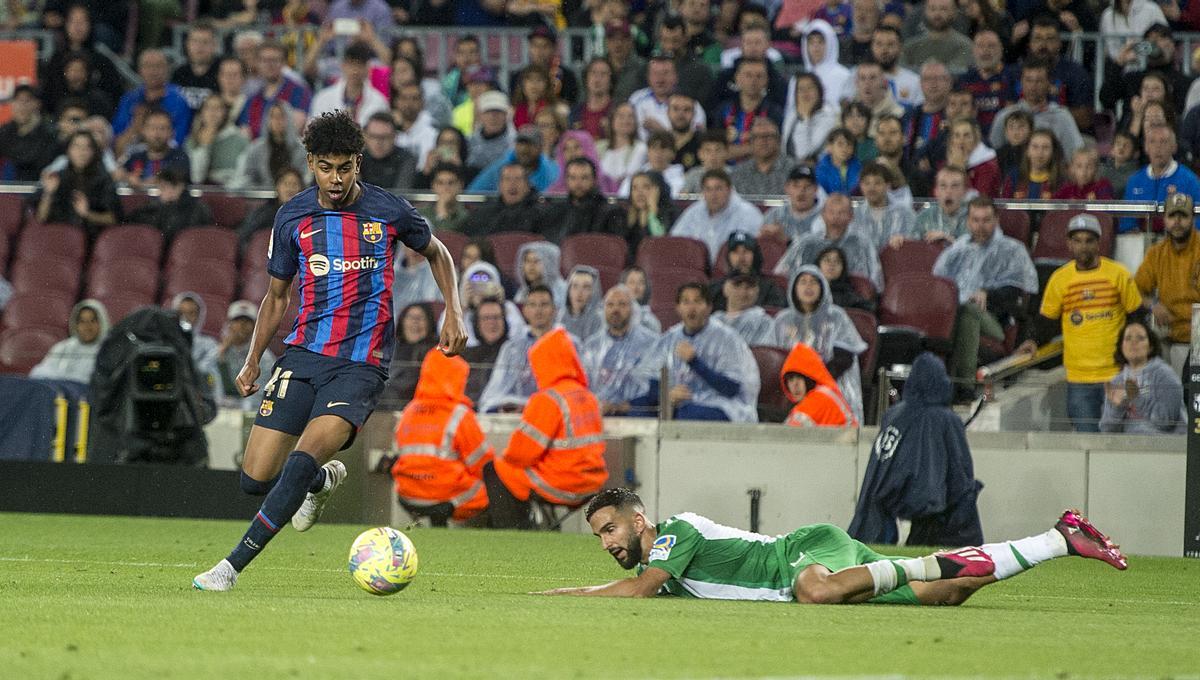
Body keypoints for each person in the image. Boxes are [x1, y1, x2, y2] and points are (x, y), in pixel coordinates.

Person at [191, 110, 468, 591]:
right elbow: (277, 296)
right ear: (311, 164)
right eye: (324, 167)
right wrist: (255, 357)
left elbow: (437, 252)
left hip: (360, 366)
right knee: (255, 478)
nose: (335, 178)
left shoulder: (387, 210)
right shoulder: (293, 216)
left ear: (358, 163)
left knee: (298, 461)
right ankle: (319, 484)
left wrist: (454, 311)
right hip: (301, 356)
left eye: (344, 167)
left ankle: (229, 568)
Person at [540, 488, 1126, 601]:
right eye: (599, 537)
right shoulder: (663, 550)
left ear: (639, 521)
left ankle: (916, 560)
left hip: (802, 551)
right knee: (947, 594)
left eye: (609, 530)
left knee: (814, 593)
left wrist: (575, 593)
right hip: (811, 564)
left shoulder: (675, 533)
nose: (606, 543)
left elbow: (643, 589)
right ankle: (1060, 538)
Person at [1017, 215, 1143, 433]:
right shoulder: (1060, 279)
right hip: (1078, 377)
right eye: (1077, 240)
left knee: (1117, 443)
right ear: (1069, 244)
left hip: (1115, 375)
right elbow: (1046, 321)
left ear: (1099, 243)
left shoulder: (1119, 274)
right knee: (1088, 443)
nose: (1083, 246)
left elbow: (1137, 319)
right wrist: (1032, 340)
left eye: (1088, 240)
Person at [848, 352, 983, 546]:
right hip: (931, 511)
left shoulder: (894, 414)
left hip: (887, 506)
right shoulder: (945, 419)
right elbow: (960, 472)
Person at [484, 327, 605, 529]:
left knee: (494, 469)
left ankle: (513, 535)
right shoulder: (587, 396)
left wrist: (507, 456)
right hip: (591, 483)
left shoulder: (548, 399)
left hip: (560, 483)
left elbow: (521, 454)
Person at [933, 197, 1039, 398]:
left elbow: (1021, 293)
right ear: (968, 222)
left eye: (986, 220)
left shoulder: (1012, 250)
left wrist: (989, 294)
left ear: (996, 220)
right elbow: (939, 283)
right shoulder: (958, 249)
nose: (980, 226)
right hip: (955, 312)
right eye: (975, 220)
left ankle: (964, 387)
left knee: (968, 311)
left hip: (995, 321)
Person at [390, 348, 493, 526]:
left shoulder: (410, 410)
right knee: (490, 490)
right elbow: (482, 464)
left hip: (407, 493)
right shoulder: (459, 414)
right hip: (445, 495)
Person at [630, 283, 760, 422]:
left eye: (697, 301)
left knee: (687, 414)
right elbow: (651, 380)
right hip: (678, 405)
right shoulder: (670, 338)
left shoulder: (727, 338)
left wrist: (694, 362)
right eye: (686, 302)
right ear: (678, 308)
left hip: (722, 406)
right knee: (636, 414)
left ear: (709, 307)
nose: (691, 308)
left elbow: (731, 388)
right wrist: (667, 394)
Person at [774, 266, 868, 422]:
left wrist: (813, 385)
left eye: (813, 282)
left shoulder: (836, 317)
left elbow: (844, 358)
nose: (808, 287)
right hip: (790, 385)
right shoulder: (782, 320)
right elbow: (774, 358)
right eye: (803, 282)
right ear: (794, 288)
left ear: (823, 287)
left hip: (829, 385)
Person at [1134, 193, 1200, 373]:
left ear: (1192, 219)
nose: (1177, 222)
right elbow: (1135, 290)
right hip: (1169, 334)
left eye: (1183, 216)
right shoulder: (1157, 253)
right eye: (1172, 216)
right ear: (1164, 220)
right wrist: (1153, 304)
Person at [479, 285, 562, 413]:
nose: (538, 310)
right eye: (532, 305)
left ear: (554, 310)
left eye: (544, 304)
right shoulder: (511, 348)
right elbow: (492, 393)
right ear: (525, 310)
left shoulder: (569, 344)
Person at [775, 194, 883, 292]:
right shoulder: (806, 243)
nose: (835, 217)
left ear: (851, 216)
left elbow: (874, 283)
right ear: (822, 214)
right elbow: (782, 275)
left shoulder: (862, 244)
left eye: (841, 212)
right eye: (831, 212)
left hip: (850, 297)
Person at [581, 285, 660, 415]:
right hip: (598, 416)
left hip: (637, 416)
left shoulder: (650, 343)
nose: (615, 309)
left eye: (622, 304)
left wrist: (624, 406)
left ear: (632, 309)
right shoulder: (591, 346)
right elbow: (583, 386)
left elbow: (657, 389)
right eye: (610, 305)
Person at [1100, 320, 1186, 434]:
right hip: (1128, 447)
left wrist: (1136, 398)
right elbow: (1107, 430)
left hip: (1164, 447)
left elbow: (1165, 423)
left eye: (1140, 338)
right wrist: (1118, 407)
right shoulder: (1117, 380)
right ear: (1121, 346)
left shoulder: (1165, 375)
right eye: (1128, 338)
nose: (1133, 342)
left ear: (1150, 347)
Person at [988, 60, 1083, 161]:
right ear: (1021, 82)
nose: (1033, 86)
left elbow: (1076, 156)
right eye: (1029, 80)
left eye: (1039, 81)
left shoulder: (1062, 116)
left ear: (1049, 83)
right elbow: (992, 156)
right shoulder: (1005, 115)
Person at [33, 131, 120, 238]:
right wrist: (48, 194)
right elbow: (41, 218)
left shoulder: (104, 180)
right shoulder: (57, 177)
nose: (81, 152)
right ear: (68, 150)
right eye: (76, 146)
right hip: (60, 237)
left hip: (92, 238)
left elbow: (114, 219)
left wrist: (87, 214)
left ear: (93, 151)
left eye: (87, 147)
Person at [671, 169, 765, 264]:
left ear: (729, 190)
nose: (713, 195)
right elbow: (676, 242)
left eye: (718, 189)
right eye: (708, 189)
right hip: (697, 271)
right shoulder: (694, 211)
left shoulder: (748, 214)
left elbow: (754, 252)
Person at [1120, 125, 1200, 234]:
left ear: (1174, 147)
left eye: (1163, 142)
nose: (1158, 147)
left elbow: (1198, 222)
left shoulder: (1190, 180)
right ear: (1146, 147)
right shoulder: (1135, 181)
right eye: (1152, 142)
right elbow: (1127, 222)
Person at [112, 49, 193, 155]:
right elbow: (117, 145)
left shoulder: (179, 99)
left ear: (167, 69)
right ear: (139, 70)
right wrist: (136, 126)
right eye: (147, 66)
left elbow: (178, 142)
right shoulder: (129, 99)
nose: (153, 71)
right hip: (131, 158)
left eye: (158, 66)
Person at [238, 41, 312, 139]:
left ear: (284, 62)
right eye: (264, 60)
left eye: (275, 60)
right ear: (257, 63)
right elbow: (244, 132)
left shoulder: (298, 92)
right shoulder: (253, 99)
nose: (269, 64)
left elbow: (295, 128)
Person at [541, 158, 625, 243]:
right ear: (566, 180)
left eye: (584, 178)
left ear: (594, 180)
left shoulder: (609, 211)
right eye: (573, 177)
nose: (578, 183)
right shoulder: (556, 210)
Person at [214, 300, 277, 411]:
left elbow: (259, 395)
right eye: (237, 320)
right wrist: (220, 353)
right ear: (229, 324)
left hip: (247, 412)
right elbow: (206, 378)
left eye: (247, 321)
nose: (242, 325)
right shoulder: (219, 351)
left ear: (255, 327)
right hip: (218, 408)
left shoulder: (263, 357)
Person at [29, 299, 110, 384]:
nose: (87, 327)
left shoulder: (109, 351)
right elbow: (38, 373)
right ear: (76, 324)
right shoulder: (64, 347)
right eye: (82, 321)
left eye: (92, 321)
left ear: (101, 322)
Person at [310, 41, 389, 127]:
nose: (355, 71)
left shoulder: (379, 101)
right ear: (343, 66)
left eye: (360, 65)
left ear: (368, 68)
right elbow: (313, 132)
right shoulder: (323, 98)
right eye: (351, 64)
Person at [780, 342, 857, 428]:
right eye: (790, 380)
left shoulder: (816, 400)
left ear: (809, 378)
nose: (795, 385)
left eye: (799, 378)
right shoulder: (825, 392)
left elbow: (786, 436)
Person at [129, 167, 215, 244]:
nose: (160, 192)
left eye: (162, 187)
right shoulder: (154, 206)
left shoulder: (197, 210)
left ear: (178, 186)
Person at [115, 108, 192, 190]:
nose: (157, 134)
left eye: (162, 128)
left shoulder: (180, 157)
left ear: (171, 132)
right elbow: (118, 173)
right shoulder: (135, 157)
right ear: (143, 131)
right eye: (152, 128)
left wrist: (142, 184)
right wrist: (127, 177)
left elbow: (173, 178)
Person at [709, 231, 788, 311]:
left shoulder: (770, 289)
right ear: (728, 257)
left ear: (756, 255)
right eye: (735, 252)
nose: (741, 258)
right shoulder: (715, 288)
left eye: (746, 251)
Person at [462, 164, 548, 237]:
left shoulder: (539, 212)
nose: (512, 184)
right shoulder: (486, 211)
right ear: (500, 185)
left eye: (518, 179)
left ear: (527, 185)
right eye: (507, 179)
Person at [185, 94, 249, 186]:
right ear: (202, 113)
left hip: (231, 192)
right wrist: (204, 145)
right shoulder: (192, 141)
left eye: (218, 108)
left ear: (225, 113)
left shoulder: (240, 139)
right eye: (208, 108)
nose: (213, 112)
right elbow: (197, 178)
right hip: (204, 192)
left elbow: (243, 175)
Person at [382, 302, 439, 405]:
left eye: (421, 318)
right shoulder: (389, 349)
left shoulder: (436, 353)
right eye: (410, 317)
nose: (415, 322)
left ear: (429, 323)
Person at [853, 162, 916, 251]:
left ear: (887, 185)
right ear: (861, 186)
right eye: (867, 183)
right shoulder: (853, 216)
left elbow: (915, 243)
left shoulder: (905, 214)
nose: (871, 188)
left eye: (877, 183)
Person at [0, 85, 58, 182]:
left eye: (27, 101)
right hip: (7, 190)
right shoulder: (5, 131)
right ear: (12, 104)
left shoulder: (48, 132)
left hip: (36, 187)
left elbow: (37, 162)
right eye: (18, 101)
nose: (22, 106)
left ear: (37, 104)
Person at [236, 168, 305, 248]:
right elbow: (244, 237)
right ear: (277, 187)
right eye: (285, 183)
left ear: (301, 189)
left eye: (294, 184)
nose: (290, 188)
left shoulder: (307, 214)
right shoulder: (263, 213)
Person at [729, 118, 796, 196]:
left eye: (768, 136)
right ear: (751, 142)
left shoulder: (794, 170)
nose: (763, 141)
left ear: (779, 140)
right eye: (757, 137)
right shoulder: (738, 173)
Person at [461, 297, 510, 403]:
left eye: (496, 317)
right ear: (476, 324)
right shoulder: (466, 355)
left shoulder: (514, 353)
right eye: (486, 318)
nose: (492, 323)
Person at [910, 166, 969, 245]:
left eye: (955, 186)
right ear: (936, 191)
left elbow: (978, 252)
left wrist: (948, 240)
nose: (948, 191)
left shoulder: (975, 218)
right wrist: (901, 241)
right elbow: (912, 247)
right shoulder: (925, 216)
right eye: (943, 186)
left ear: (964, 191)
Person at [762, 165, 824, 242]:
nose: (801, 192)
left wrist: (786, 241)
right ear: (787, 188)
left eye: (807, 186)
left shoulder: (824, 216)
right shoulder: (775, 215)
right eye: (796, 186)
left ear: (816, 189)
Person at [359, 112, 418, 191]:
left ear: (394, 137)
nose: (378, 142)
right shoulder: (357, 158)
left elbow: (401, 195)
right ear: (365, 136)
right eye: (373, 136)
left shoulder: (406, 159)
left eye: (384, 137)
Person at [713, 273, 777, 347]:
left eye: (749, 287)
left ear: (757, 292)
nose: (743, 292)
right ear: (725, 289)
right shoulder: (713, 320)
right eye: (737, 285)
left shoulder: (764, 323)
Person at [818, 246, 876, 313]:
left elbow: (869, 307)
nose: (832, 265)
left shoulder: (845, 293)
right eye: (827, 260)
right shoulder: (810, 287)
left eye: (837, 262)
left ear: (843, 269)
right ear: (818, 264)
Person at [558, 266, 605, 341]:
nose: (579, 292)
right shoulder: (559, 317)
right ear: (568, 290)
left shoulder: (600, 320)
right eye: (575, 286)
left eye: (586, 287)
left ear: (594, 292)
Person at [514, 242, 568, 306]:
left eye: (536, 261)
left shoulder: (564, 292)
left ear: (549, 264)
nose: (531, 266)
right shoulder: (522, 293)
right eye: (527, 261)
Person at [418, 164, 468, 233]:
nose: (446, 188)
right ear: (433, 186)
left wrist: (442, 212)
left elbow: (446, 239)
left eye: (451, 183)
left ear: (461, 185)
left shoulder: (467, 215)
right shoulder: (421, 213)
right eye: (440, 183)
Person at [620, 266, 662, 334]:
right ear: (622, 286)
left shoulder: (651, 322)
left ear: (646, 287)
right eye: (631, 282)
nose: (636, 287)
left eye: (641, 282)